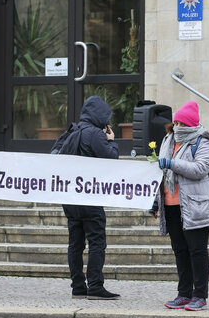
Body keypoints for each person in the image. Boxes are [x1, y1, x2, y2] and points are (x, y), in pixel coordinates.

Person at [151, 101, 209, 312]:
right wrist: (154, 201)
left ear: (192, 124)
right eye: (176, 122)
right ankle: (184, 294)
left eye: (182, 123)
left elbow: (200, 169)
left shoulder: (203, 142)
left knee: (197, 251)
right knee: (180, 251)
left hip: (195, 205)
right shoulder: (168, 140)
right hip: (171, 205)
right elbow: (159, 173)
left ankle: (200, 296)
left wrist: (172, 163)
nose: (178, 126)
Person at [56, 95, 120, 300]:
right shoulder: (94, 133)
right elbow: (111, 159)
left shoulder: (71, 131)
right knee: (97, 241)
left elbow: (54, 154)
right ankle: (95, 286)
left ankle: (77, 286)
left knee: (75, 243)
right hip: (89, 197)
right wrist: (112, 141)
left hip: (70, 198)